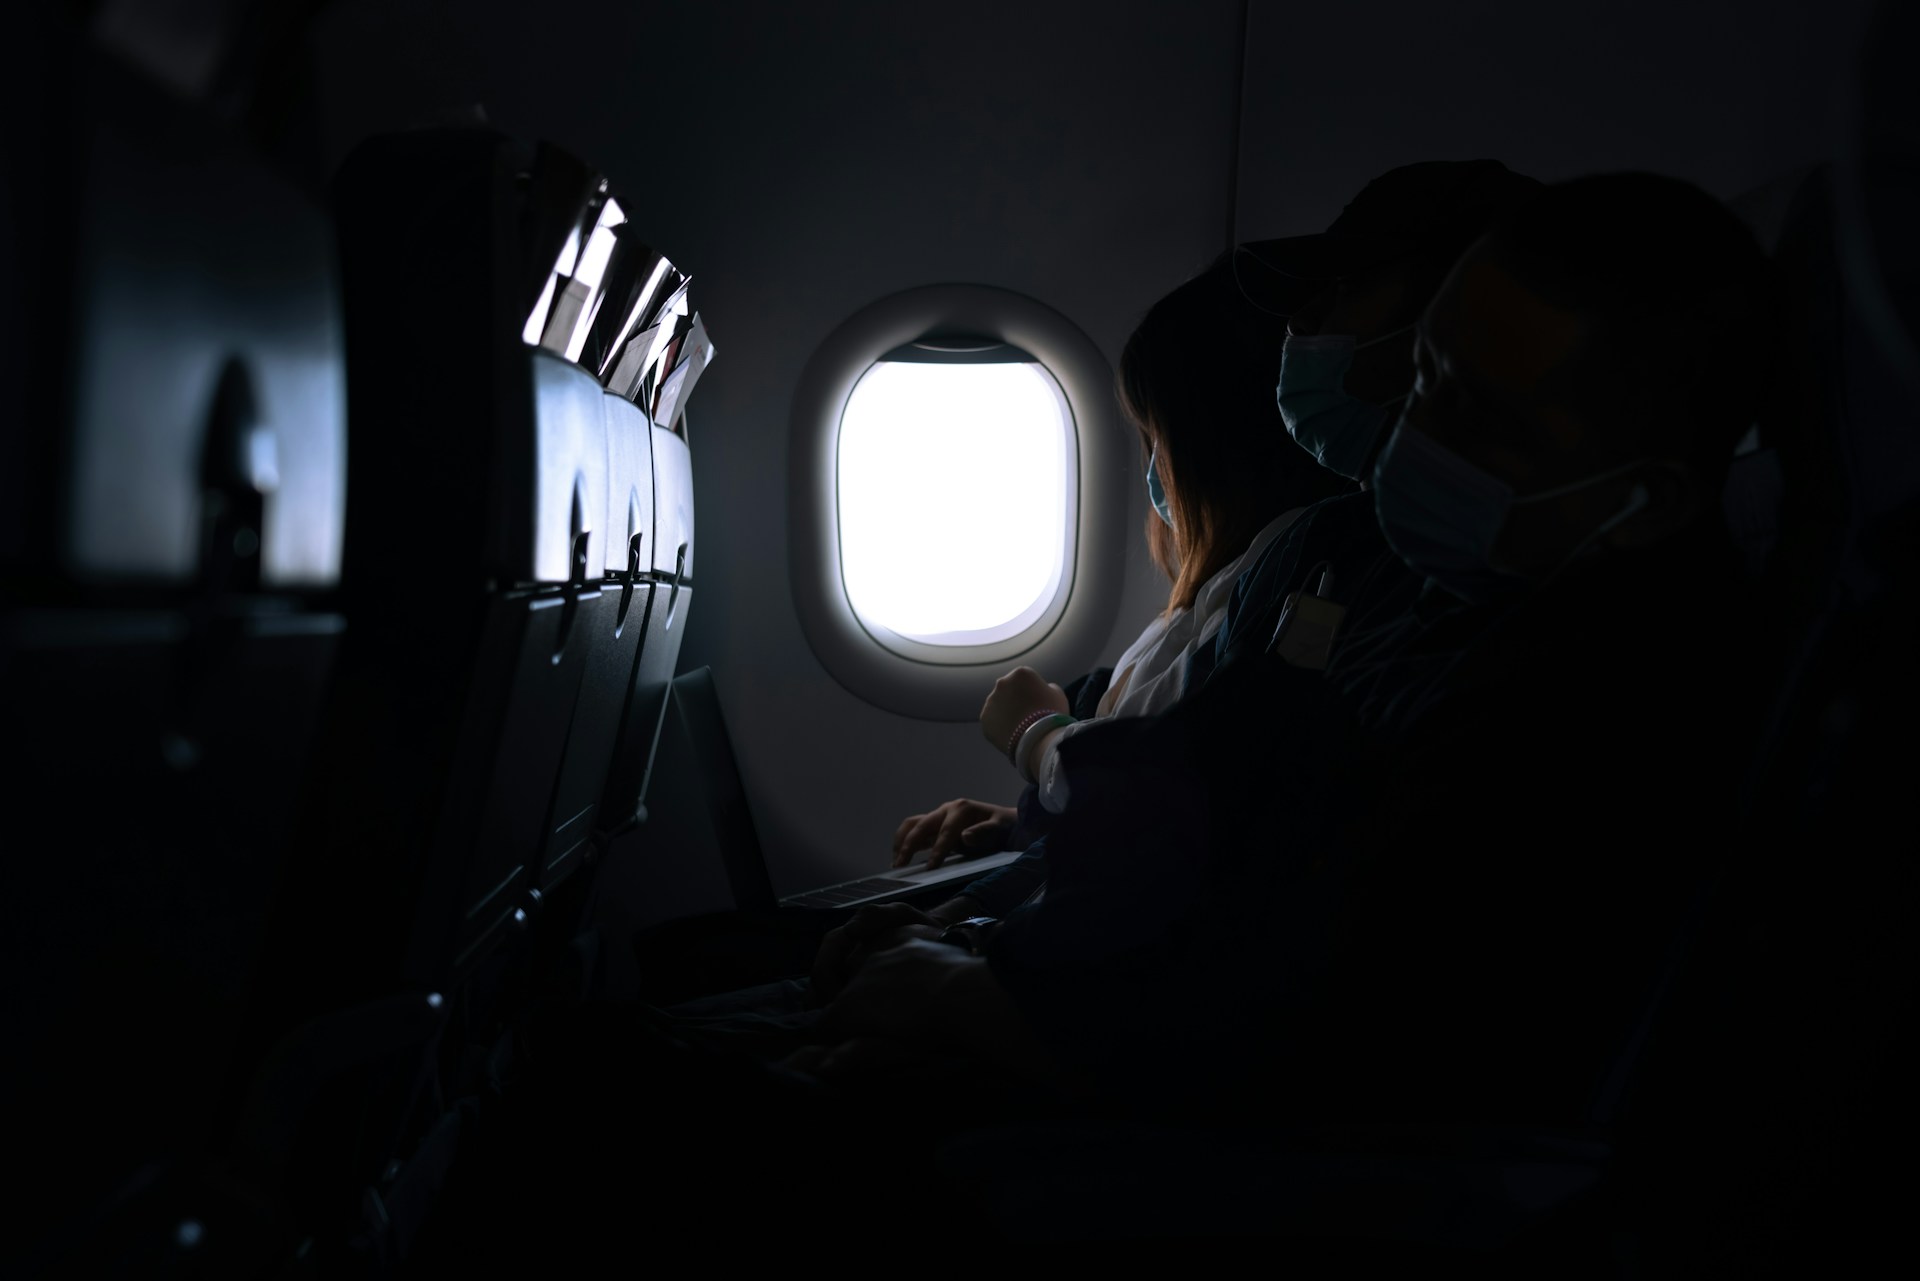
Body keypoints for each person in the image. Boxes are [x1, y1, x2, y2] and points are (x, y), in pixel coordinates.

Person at [805, 170, 1776, 1133]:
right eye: (1425, 378)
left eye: (1481, 416)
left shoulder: (1591, 718)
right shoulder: (1405, 579)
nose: (1415, 434)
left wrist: (962, 998)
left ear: (1646, 502)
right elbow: (1224, 801)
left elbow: (1319, 1041)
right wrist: (991, 915)